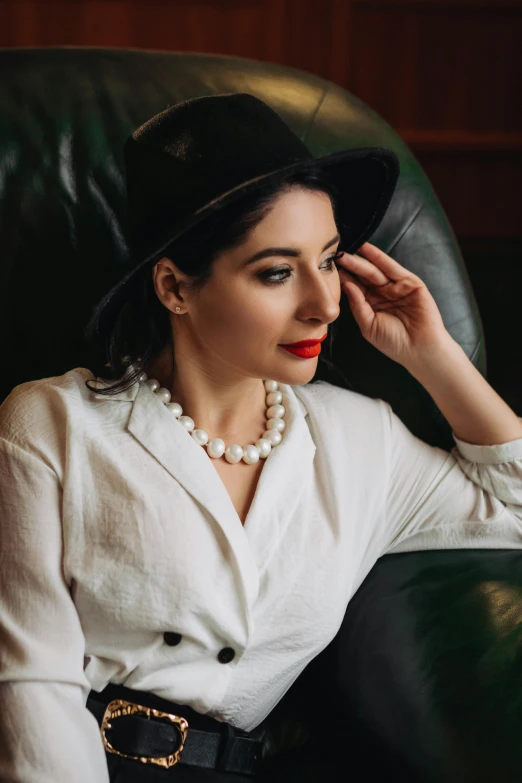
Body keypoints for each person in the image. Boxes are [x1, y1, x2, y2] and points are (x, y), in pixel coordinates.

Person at [0, 92, 521, 783]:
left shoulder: (360, 440)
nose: (326, 303)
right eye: (277, 272)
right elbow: (30, 682)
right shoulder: (51, 426)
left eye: (330, 260)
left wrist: (437, 356)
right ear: (174, 287)